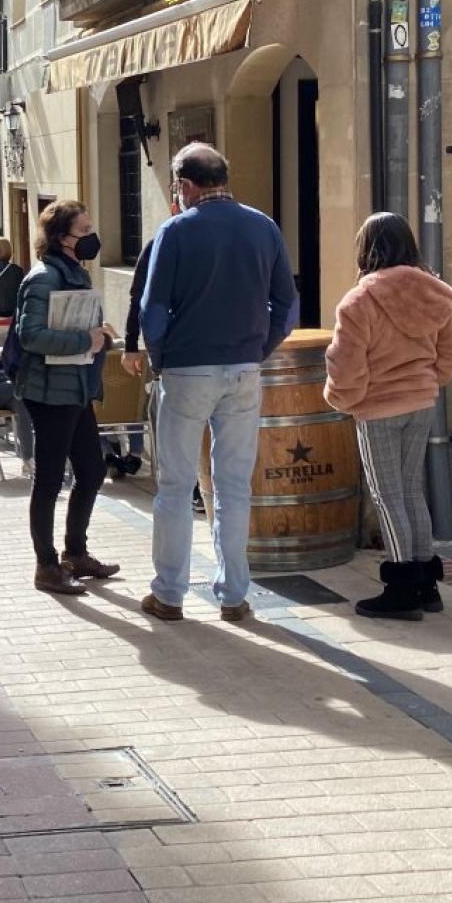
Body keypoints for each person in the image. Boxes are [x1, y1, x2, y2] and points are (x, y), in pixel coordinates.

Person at [139, 143, 296, 625]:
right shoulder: (263, 226)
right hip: (244, 369)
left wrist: (162, 360)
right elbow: (286, 309)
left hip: (188, 369)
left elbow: (153, 310)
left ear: (185, 185)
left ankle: (169, 593)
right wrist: (259, 349)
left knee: (175, 484)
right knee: (233, 486)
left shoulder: (176, 231)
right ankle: (233, 596)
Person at [325, 212, 452, 621]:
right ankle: (426, 585)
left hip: (378, 408)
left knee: (387, 497)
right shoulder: (432, 293)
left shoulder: (359, 300)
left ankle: (401, 589)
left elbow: (346, 365)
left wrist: (346, 400)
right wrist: (424, 381)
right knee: (410, 490)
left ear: (366, 249)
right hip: (421, 403)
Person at [15, 201, 121, 596]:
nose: (92, 237)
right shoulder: (43, 279)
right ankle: (46, 566)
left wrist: (99, 333)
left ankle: (75, 553)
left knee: (92, 471)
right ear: (62, 237)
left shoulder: (75, 272)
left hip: (75, 388)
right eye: (85, 230)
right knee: (48, 480)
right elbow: (31, 335)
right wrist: (85, 339)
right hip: (49, 393)